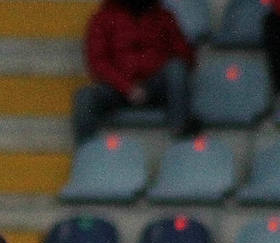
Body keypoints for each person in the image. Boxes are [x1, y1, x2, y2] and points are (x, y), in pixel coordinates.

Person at [72, 0, 195, 145]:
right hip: (117, 89)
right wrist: (127, 88)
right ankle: (87, 151)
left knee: (176, 69)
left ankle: (180, 132)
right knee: (85, 96)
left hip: (155, 85)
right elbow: (97, 62)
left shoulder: (164, 17)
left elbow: (185, 55)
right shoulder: (103, 18)